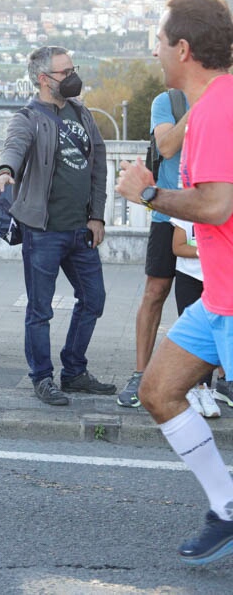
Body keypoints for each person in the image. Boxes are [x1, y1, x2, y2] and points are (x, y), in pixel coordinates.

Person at [115, 0, 233, 565]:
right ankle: (227, 507)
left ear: (183, 49)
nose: (155, 51)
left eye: (159, 42)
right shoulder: (211, 106)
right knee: (158, 391)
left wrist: (149, 193)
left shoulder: (216, 111)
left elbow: (215, 206)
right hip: (218, 299)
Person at [0, 46, 115, 406]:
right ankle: (42, 378)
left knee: (94, 300)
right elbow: (14, 148)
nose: (73, 77)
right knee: (40, 309)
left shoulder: (82, 113)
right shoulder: (28, 117)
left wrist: (98, 216)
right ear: (44, 80)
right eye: (65, 72)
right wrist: (4, 171)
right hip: (42, 232)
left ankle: (74, 371)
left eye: (74, 69)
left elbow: (100, 164)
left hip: (81, 230)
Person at [117, 89, 189, 408]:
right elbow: (167, 145)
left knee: (215, 297)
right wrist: (202, 105)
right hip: (167, 211)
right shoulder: (168, 101)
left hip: (211, 214)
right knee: (155, 292)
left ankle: (219, 379)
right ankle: (140, 374)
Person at [170, 218, 223, 418]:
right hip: (189, 278)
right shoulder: (186, 210)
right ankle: (188, 389)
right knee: (191, 336)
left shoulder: (221, 209)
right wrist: (204, 252)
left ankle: (205, 389)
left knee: (211, 335)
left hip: (215, 278)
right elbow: (178, 247)